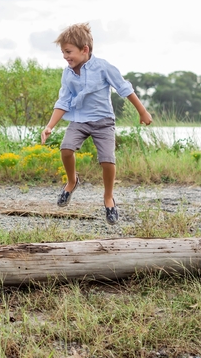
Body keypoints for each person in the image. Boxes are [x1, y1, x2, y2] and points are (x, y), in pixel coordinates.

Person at [41, 23, 152, 225]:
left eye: (68, 52)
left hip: (103, 122)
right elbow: (63, 101)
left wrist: (142, 111)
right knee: (66, 149)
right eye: (63, 53)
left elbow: (124, 88)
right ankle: (72, 182)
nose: (65, 57)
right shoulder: (67, 73)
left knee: (107, 161)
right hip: (79, 120)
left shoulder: (103, 67)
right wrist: (50, 126)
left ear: (85, 50)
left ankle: (108, 198)